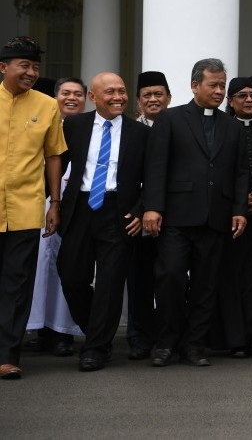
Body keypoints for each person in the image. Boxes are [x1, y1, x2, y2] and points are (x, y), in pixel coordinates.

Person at [142, 58, 248, 368]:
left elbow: (240, 172)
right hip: (176, 216)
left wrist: (239, 209)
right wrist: (152, 207)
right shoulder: (170, 119)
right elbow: (156, 167)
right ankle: (165, 342)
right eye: (213, 85)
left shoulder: (232, 125)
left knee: (206, 284)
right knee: (171, 278)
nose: (219, 91)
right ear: (194, 86)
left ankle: (194, 344)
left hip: (216, 217)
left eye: (222, 86)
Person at [57, 72, 148, 372]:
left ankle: (96, 348)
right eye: (110, 92)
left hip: (119, 211)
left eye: (122, 91)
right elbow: (56, 164)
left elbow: (153, 176)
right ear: (93, 98)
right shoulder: (74, 126)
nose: (118, 97)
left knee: (110, 282)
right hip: (80, 208)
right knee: (70, 274)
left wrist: (141, 209)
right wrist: (53, 204)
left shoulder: (140, 132)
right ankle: (96, 326)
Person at [0, 36, 66, 380]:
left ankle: (7, 355)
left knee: (16, 284)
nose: (31, 72)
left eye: (35, 66)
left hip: (26, 210)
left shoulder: (47, 105)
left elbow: (54, 155)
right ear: (4, 67)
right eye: (24, 65)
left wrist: (54, 203)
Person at [212, 76, 252, 358]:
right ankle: (234, 339)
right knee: (231, 277)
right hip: (230, 218)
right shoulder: (220, 129)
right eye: (242, 96)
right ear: (230, 101)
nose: (249, 100)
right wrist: (238, 204)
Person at [26, 78, 86, 357]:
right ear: (55, 97)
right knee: (38, 269)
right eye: (66, 93)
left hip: (75, 207)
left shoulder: (89, 128)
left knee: (66, 267)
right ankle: (39, 329)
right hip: (38, 203)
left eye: (78, 94)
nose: (72, 98)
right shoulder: (41, 123)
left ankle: (63, 332)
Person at [126, 71, 172, 361]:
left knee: (170, 279)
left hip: (175, 217)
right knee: (139, 279)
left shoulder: (179, 127)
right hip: (136, 218)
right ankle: (139, 338)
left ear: (169, 98)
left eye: (159, 94)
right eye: (147, 95)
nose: (153, 99)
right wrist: (139, 210)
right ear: (138, 101)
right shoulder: (129, 132)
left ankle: (169, 334)